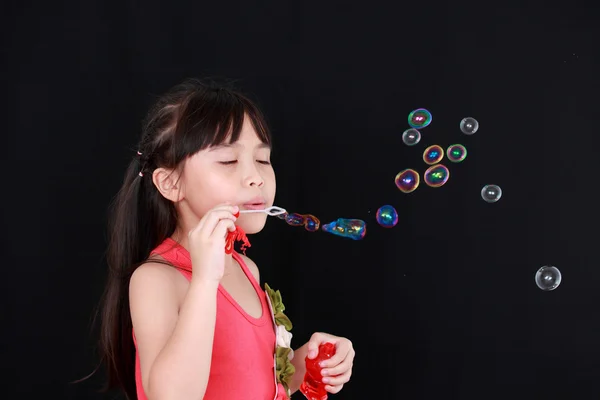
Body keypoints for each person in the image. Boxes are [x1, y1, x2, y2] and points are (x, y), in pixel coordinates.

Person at [99, 78, 355, 400]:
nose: (255, 178)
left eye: (263, 160)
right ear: (170, 183)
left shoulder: (246, 268)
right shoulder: (156, 279)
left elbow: (252, 381)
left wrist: (309, 362)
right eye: (228, 161)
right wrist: (205, 280)